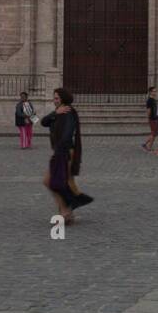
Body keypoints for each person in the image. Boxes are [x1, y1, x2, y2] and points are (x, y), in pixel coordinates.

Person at [41, 88, 92, 223]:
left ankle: (65, 211)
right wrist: (55, 113)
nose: (54, 100)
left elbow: (68, 133)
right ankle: (68, 213)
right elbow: (43, 122)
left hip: (64, 152)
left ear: (63, 99)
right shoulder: (59, 112)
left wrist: (60, 151)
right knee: (64, 183)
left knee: (51, 181)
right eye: (54, 98)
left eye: (57, 98)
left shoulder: (68, 112)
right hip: (60, 151)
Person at [141, 86, 158, 152]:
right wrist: (149, 118)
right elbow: (148, 110)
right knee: (154, 134)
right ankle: (149, 147)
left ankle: (145, 144)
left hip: (155, 118)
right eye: (154, 91)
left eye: (155, 91)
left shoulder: (153, 99)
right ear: (150, 92)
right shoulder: (150, 100)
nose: (155, 92)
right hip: (152, 118)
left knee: (154, 133)